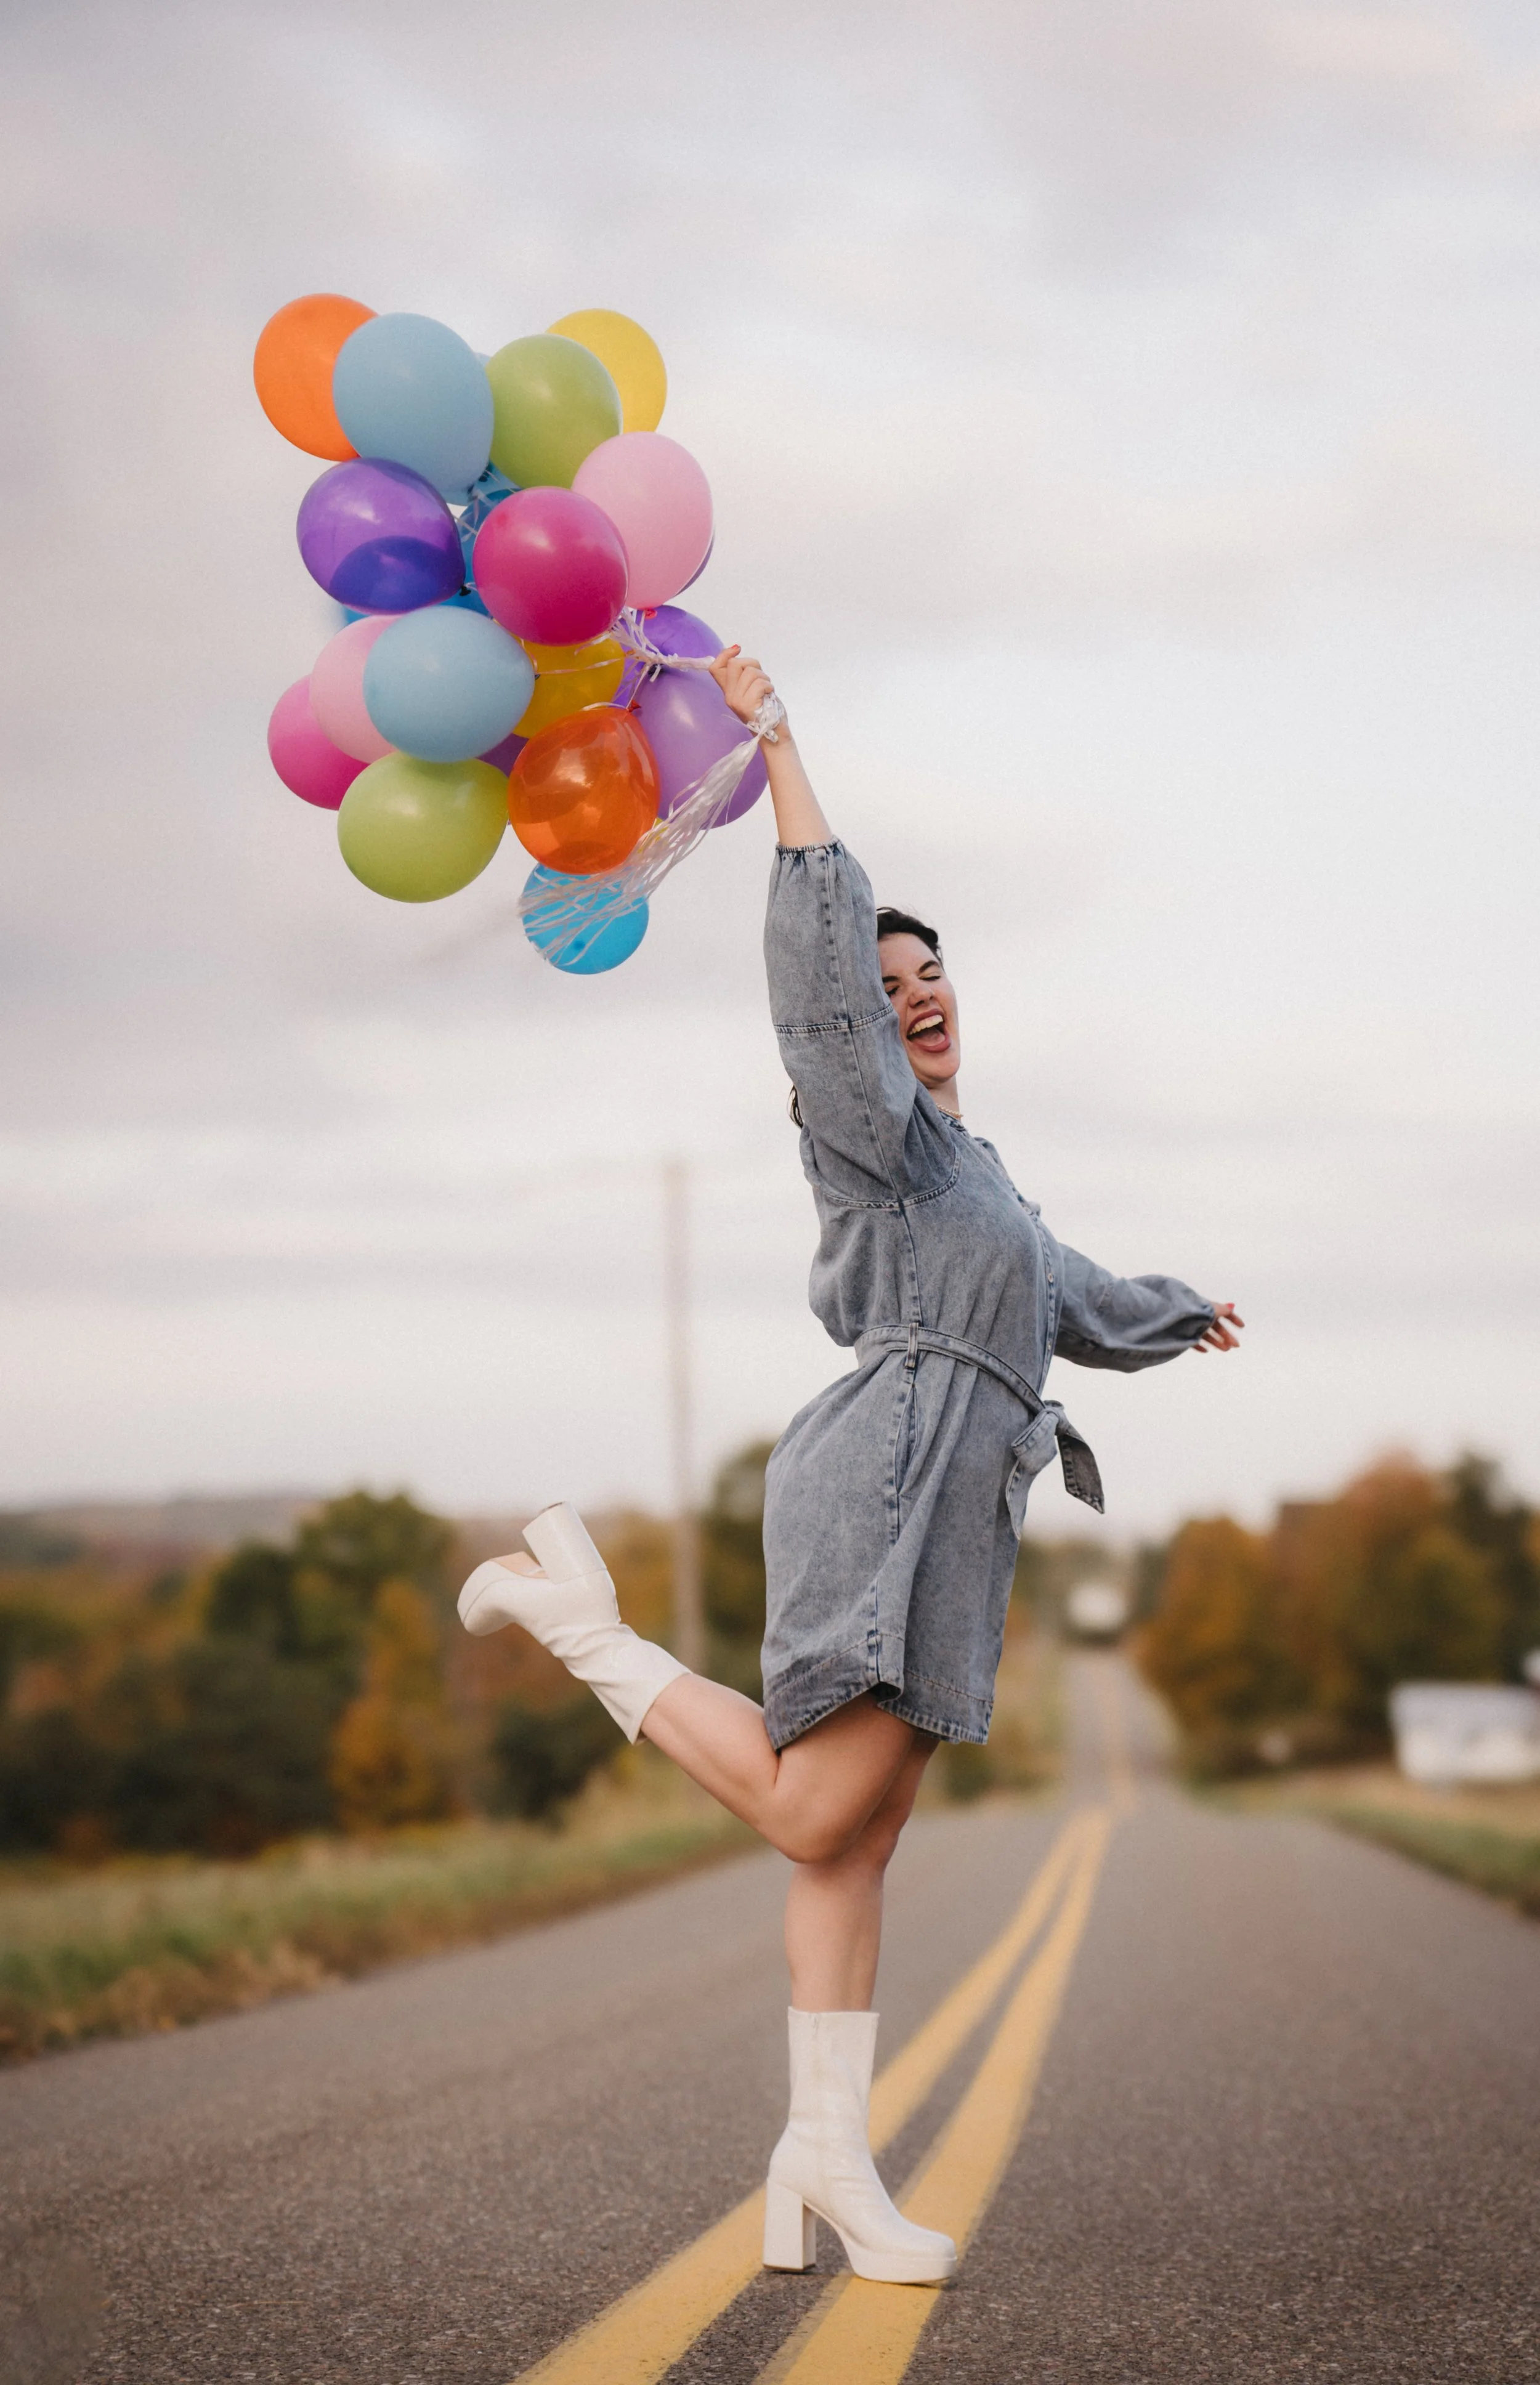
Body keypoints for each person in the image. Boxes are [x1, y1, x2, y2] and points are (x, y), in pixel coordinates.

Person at [457, 651, 1244, 2286]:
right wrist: (783, 754)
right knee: (816, 1807)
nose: (911, 993)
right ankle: (577, 1621)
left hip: (952, 1501)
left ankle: (821, 2164)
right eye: (886, 986)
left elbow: (1065, 1291)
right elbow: (819, 971)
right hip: (883, 1487)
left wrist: (1176, 1316)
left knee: (850, 1846)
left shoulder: (974, 1167)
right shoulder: (867, 1122)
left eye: (930, 971)